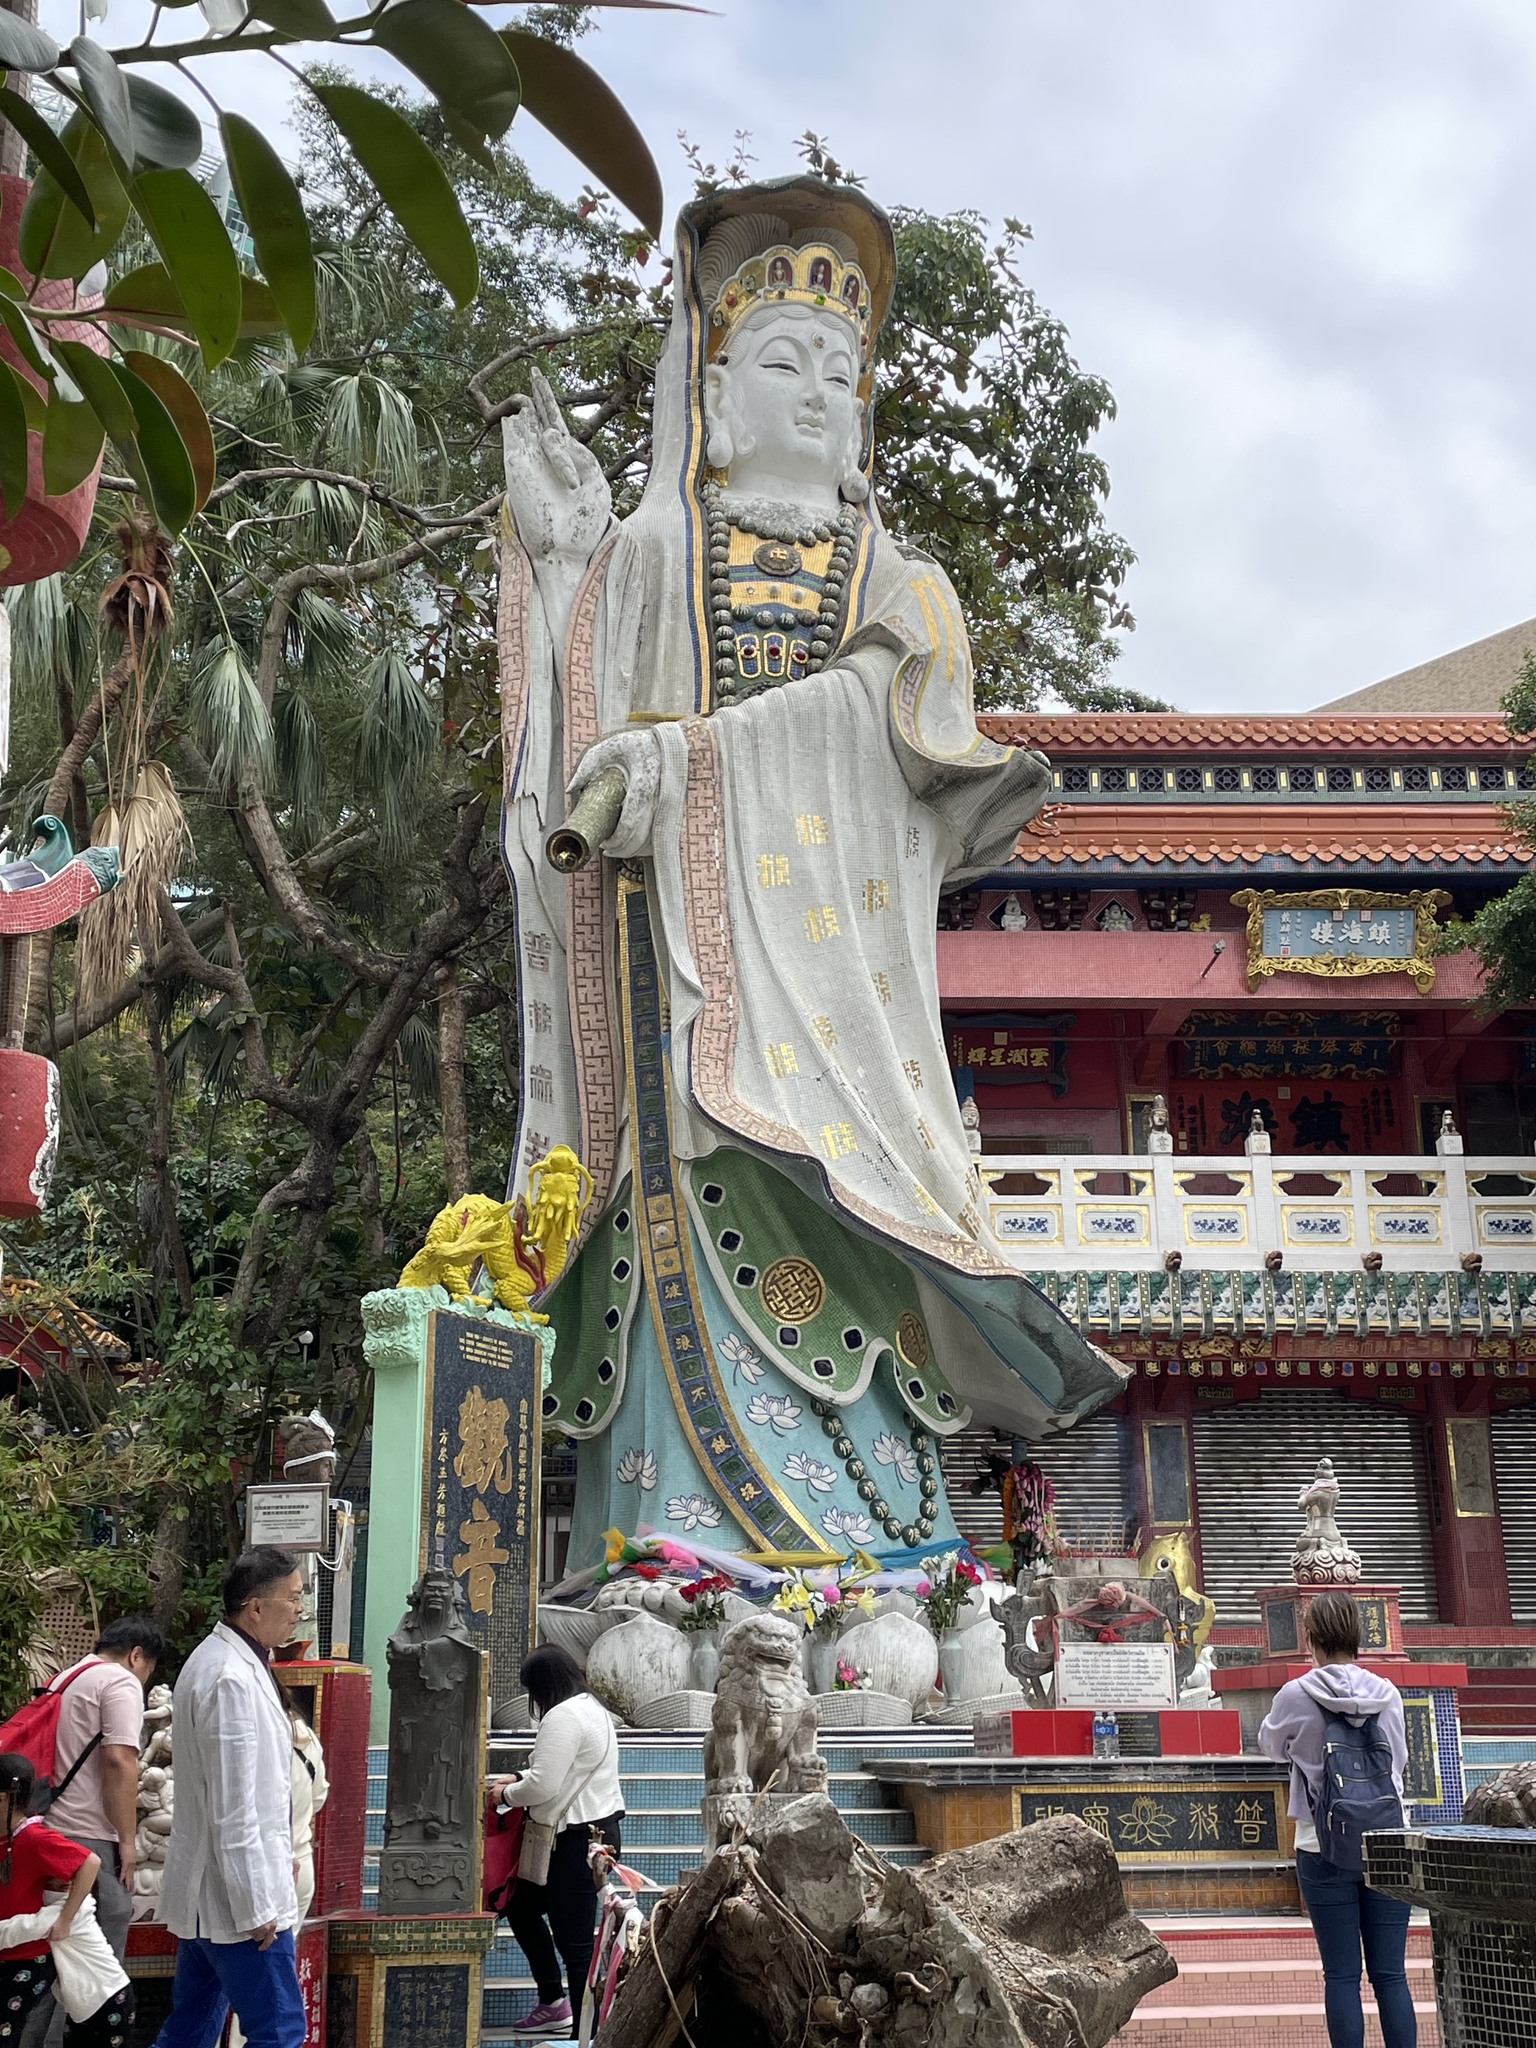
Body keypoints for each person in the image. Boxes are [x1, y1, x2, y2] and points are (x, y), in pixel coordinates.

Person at [498, 176, 1126, 1572]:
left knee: (859, 1238)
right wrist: (558, 567)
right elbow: (573, 763)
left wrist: (695, 765)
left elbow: (915, 731)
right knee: (705, 1213)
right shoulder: (654, 553)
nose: (814, 395)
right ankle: (679, 1560)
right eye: (779, 365)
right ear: (711, 399)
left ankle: (897, 1562)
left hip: (843, 1002)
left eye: (840, 376)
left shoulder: (902, 585)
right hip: (685, 997)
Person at [151, 1549, 307, 2048]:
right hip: (238, 1899)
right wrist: (255, 1902)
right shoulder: (229, 1677)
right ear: (255, 1607)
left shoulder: (228, 1660)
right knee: (279, 2031)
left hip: (211, 1893)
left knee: (192, 2027)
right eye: (294, 1598)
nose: (300, 1609)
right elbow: (234, 1805)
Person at [1258, 1589, 1417, 2048]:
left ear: (1311, 1638)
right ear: (1358, 1635)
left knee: (1342, 1976)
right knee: (1391, 1975)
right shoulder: (1386, 1692)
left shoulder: (1295, 1694)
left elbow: (1271, 1748)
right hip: (1389, 1843)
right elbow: (1399, 1763)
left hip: (1321, 1844)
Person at [27, 1618, 164, 2048]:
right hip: (88, 1838)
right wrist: (127, 1841)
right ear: (136, 1655)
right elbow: (119, 1761)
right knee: (95, 1966)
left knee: (54, 1956)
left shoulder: (64, 1678)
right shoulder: (119, 1682)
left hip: (47, 1830)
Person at [490, 1647, 623, 2041]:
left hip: (576, 1841)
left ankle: (589, 2032)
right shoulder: (590, 1708)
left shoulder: (562, 1716)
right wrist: (517, 1777)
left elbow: (545, 1784)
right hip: (590, 1832)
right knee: (519, 1904)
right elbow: (557, 1770)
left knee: (576, 1944)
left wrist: (505, 1796)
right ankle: (553, 2003)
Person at [0, 1752, 134, 2047]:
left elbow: (89, 1861)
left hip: (104, 2002)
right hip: (86, 2005)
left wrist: (64, 1918)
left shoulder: (61, 1910)